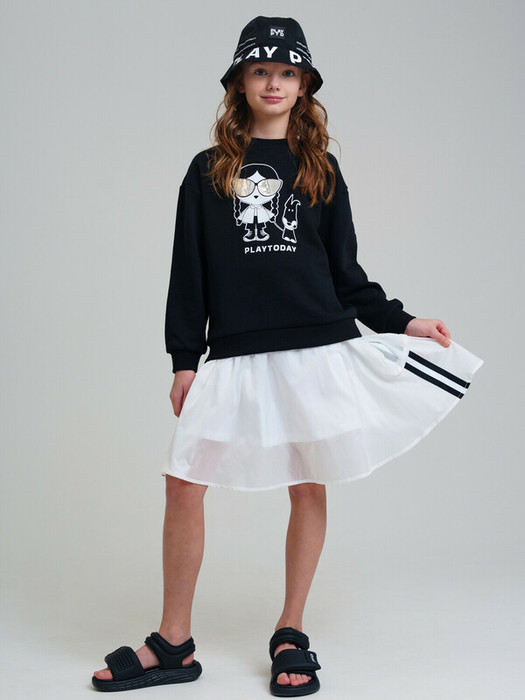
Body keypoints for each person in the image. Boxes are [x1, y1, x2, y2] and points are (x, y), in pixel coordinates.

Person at [91, 16, 483, 697]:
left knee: (307, 482)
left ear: (303, 86)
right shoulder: (207, 171)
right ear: (240, 83)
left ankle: (290, 631)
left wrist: (403, 321)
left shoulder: (320, 170)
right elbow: (189, 273)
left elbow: (346, 274)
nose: (273, 83)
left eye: (287, 72)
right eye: (260, 70)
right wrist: (185, 358)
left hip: (315, 347)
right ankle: (174, 642)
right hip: (236, 351)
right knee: (183, 482)